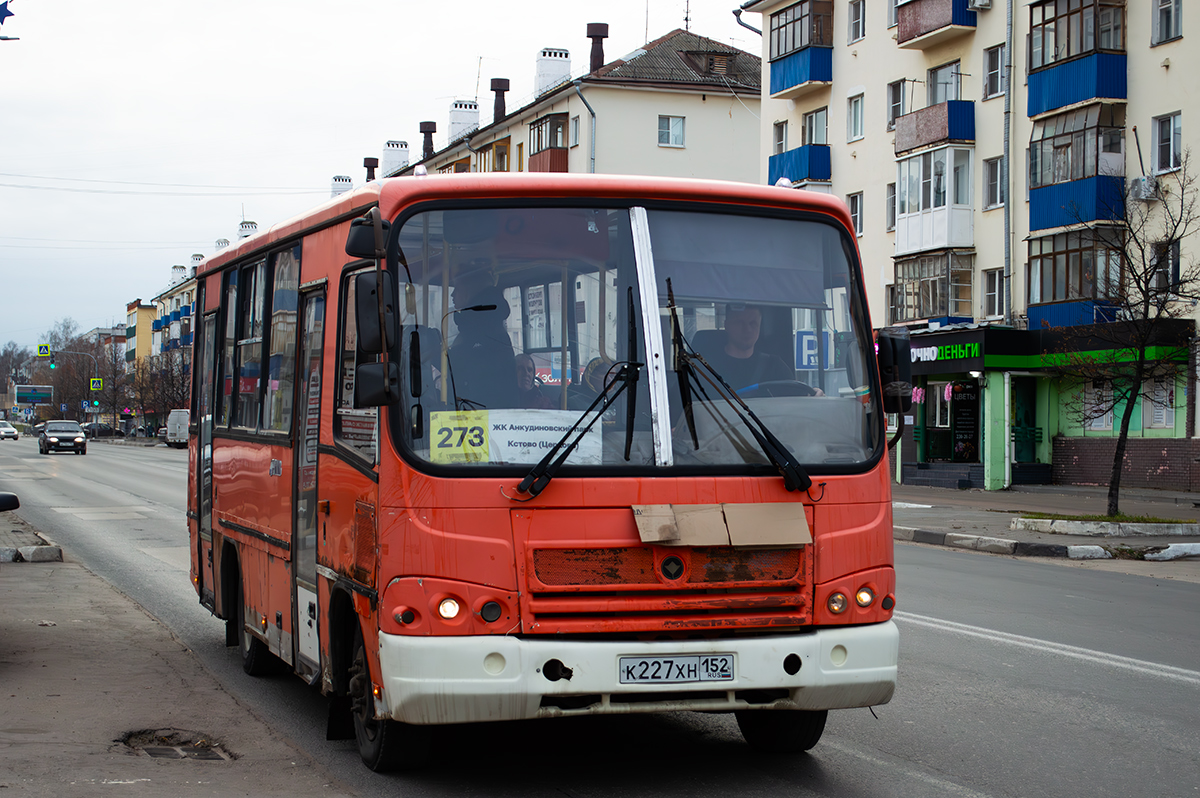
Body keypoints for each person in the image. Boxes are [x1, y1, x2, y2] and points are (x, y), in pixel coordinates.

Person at [700, 305, 795, 392]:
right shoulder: (706, 368)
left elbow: (792, 401)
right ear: (726, 325)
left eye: (753, 323)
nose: (747, 329)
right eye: (739, 322)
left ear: (759, 327)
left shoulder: (776, 368)